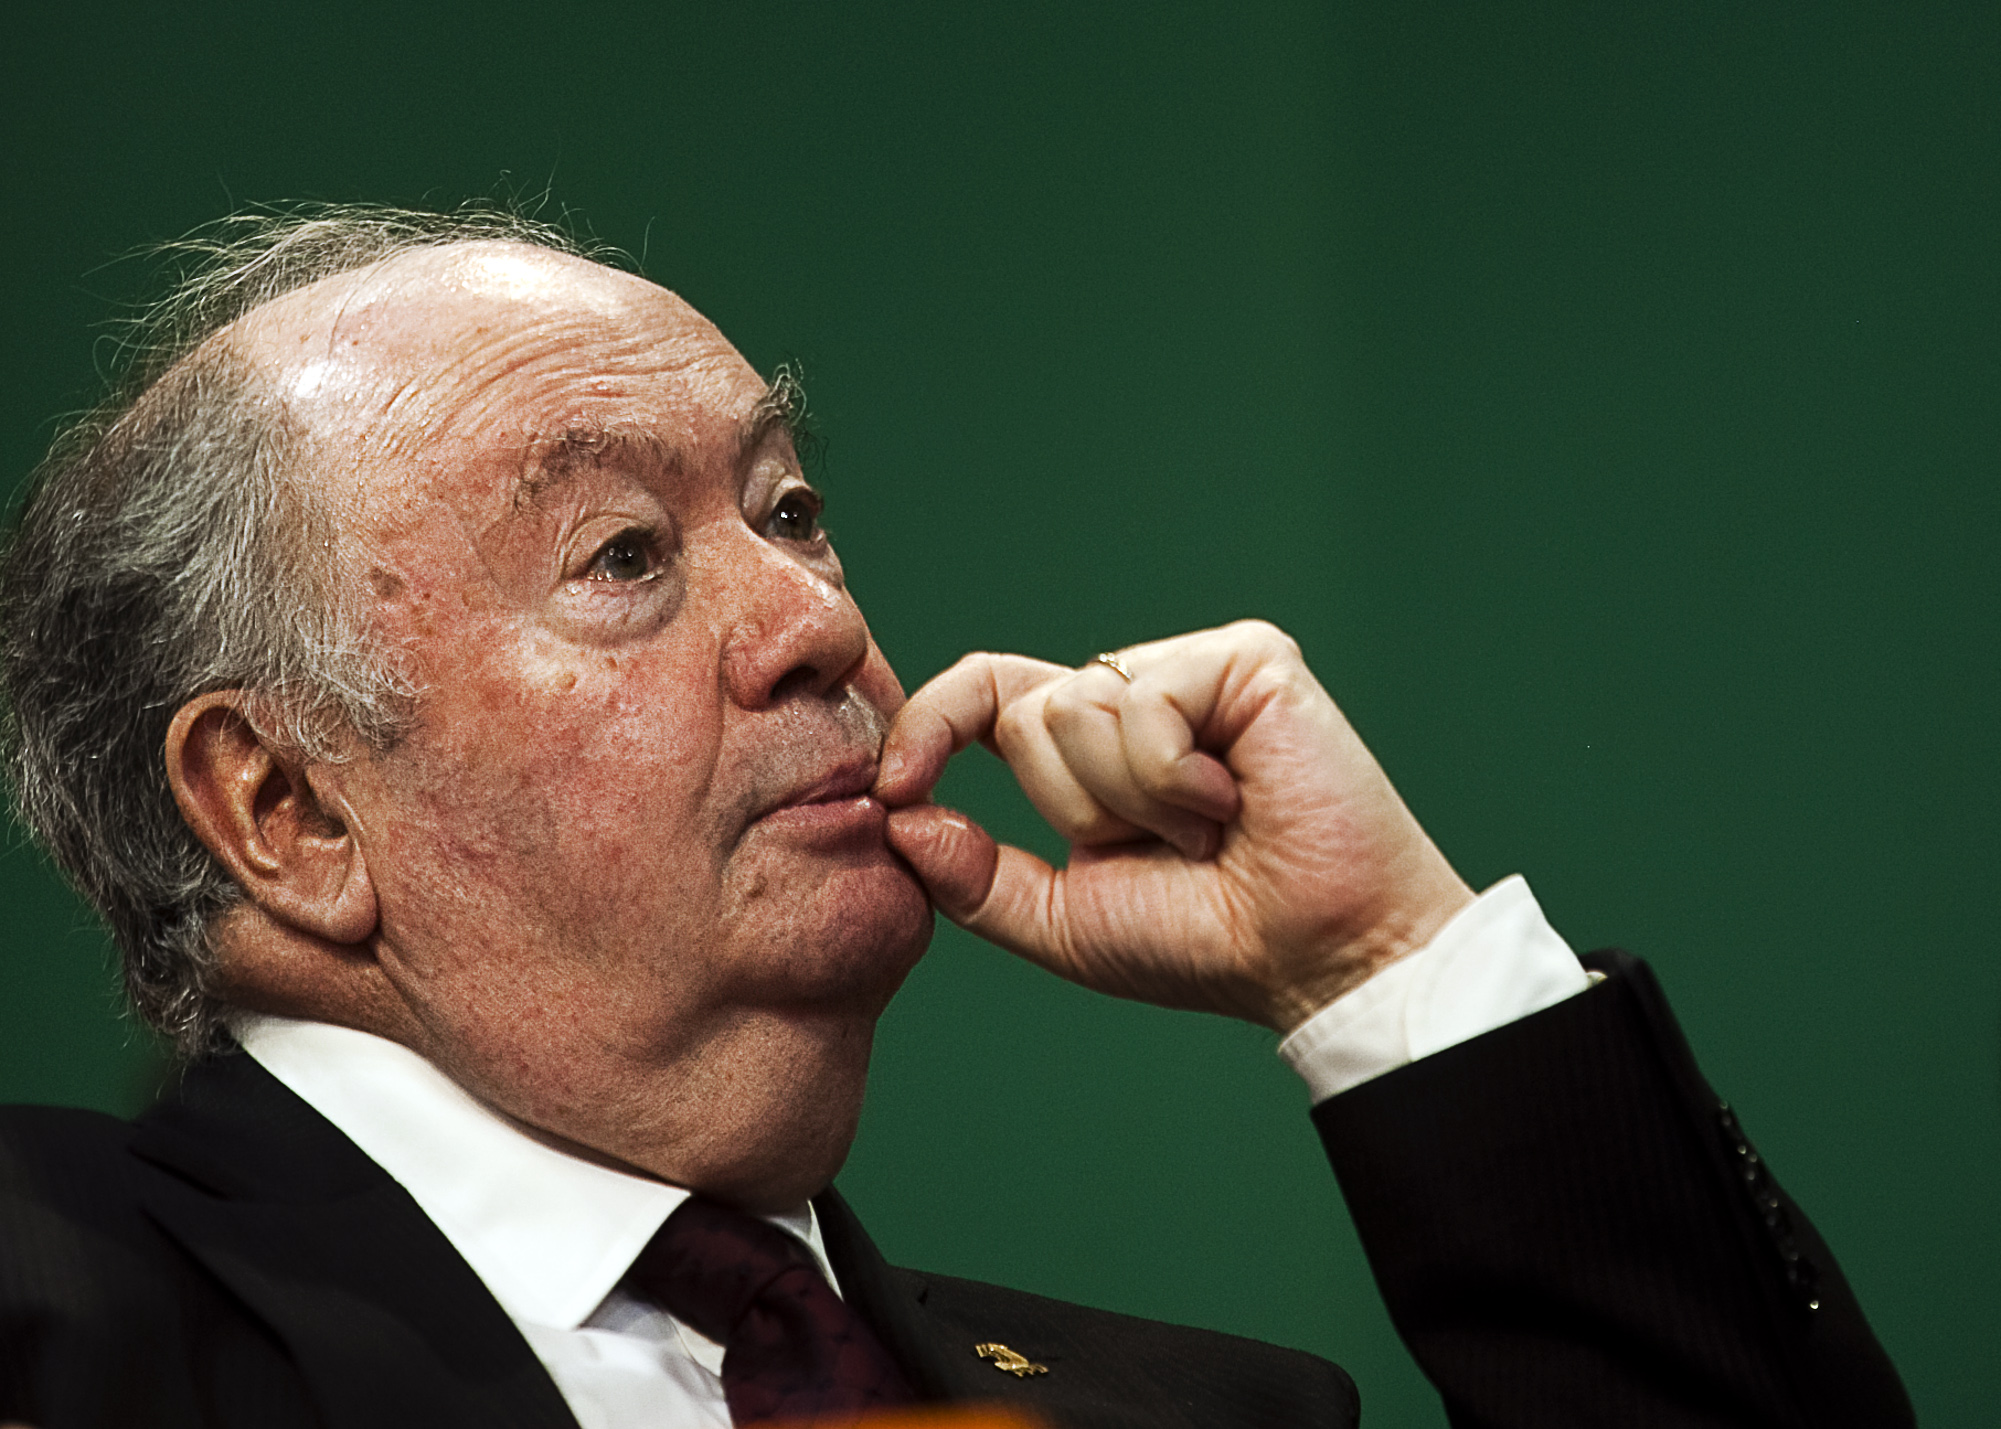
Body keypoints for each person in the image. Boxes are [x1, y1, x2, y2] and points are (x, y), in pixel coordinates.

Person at [0, 208, 1911, 1429]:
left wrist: (1381, 961)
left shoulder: (1220, 1409)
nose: (818, 623)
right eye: (623, 553)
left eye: (792, 510)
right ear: (285, 807)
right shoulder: (49, 1309)